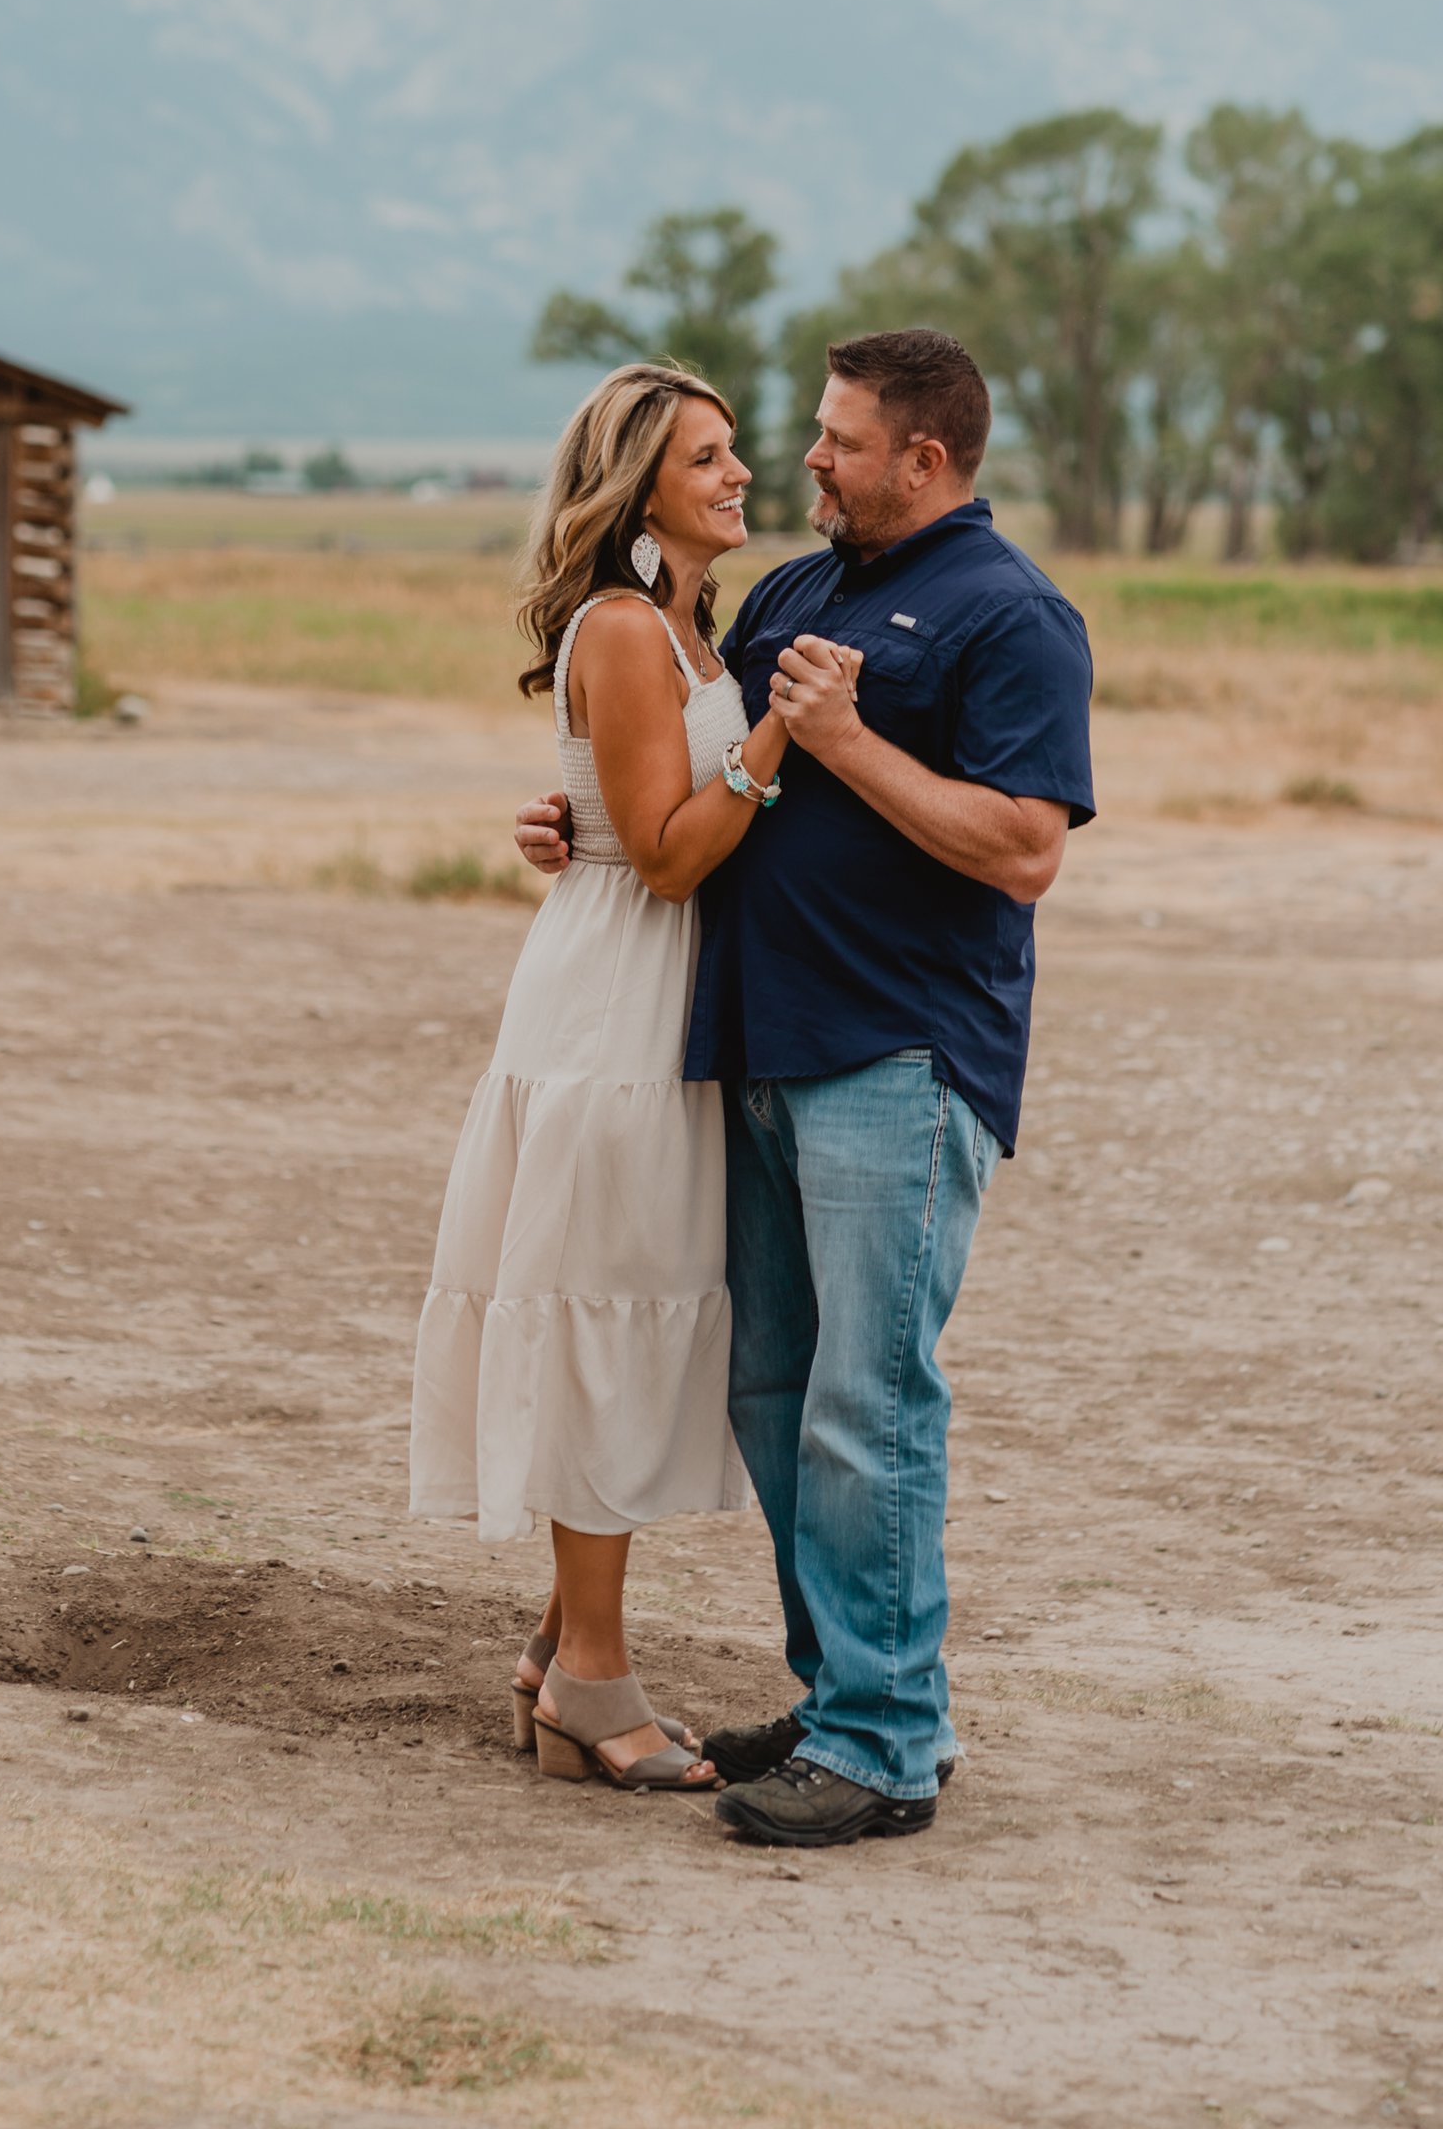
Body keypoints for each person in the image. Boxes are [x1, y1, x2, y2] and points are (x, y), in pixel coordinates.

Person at [515, 327, 1094, 1847]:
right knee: (778, 1401)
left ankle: (889, 1745)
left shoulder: (1012, 615)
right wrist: (578, 824)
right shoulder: (797, 593)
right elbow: (695, 783)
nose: (806, 462)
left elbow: (1026, 849)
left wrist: (840, 739)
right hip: (751, 1053)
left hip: (895, 1059)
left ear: (927, 456)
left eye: (840, 440)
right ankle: (849, 1695)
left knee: (869, 1401)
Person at [409, 362, 851, 1794]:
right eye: (706, 459)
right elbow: (664, 852)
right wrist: (789, 731)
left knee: (633, 1311)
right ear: (640, 486)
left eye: (738, 453)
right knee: (603, 1313)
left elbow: (630, 809)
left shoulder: (686, 624)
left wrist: (591, 807)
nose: (741, 476)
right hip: (612, 1013)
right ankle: (596, 1683)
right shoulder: (618, 624)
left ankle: (556, 1656)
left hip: (663, 1005)